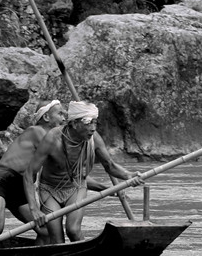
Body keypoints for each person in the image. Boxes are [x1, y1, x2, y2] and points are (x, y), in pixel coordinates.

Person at [24, 100, 142, 244]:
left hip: (76, 187)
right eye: (88, 123)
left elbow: (110, 165)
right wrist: (34, 208)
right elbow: (29, 174)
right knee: (56, 239)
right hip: (49, 190)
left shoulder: (94, 139)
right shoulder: (52, 139)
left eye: (95, 122)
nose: (93, 128)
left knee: (73, 230)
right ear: (73, 123)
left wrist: (129, 176)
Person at [0, 99, 66, 245]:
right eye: (60, 113)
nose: (64, 118)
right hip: (1, 179)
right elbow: (63, 161)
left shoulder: (52, 138)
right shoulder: (37, 132)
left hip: (20, 186)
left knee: (46, 231)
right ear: (46, 117)